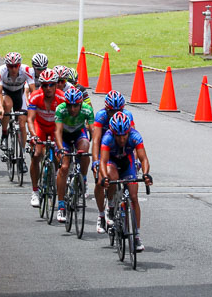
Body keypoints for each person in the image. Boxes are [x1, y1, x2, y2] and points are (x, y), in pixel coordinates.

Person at [100, 112, 152, 252]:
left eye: (124, 135)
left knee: (134, 197)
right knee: (113, 177)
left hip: (127, 162)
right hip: (112, 162)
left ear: (129, 131)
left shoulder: (135, 136)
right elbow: (103, 162)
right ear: (113, 133)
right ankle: (111, 206)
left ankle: (136, 236)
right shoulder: (107, 138)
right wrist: (105, 178)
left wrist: (146, 174)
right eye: (118, 135)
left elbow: (144, 159)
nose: (122, 139)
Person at [91, 90, 135, 233]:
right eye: (112, 111)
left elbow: (133, 139)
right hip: (106, 151)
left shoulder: (127, 116)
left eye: (119, 110)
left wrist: (137, 161)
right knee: (101, 181)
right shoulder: (101, 116)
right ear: (107, 109)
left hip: (121, 150)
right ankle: (101, 215)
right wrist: (95, 162)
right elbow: (96, 141)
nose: (115, 113)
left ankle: (115, 208)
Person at [26, 69, 66, 207]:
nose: (48, 88)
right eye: (44, 85)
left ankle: (55, 179)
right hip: (40, 127)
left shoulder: (62, 98)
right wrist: (34, 136)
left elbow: (65, 121)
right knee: (36, 154)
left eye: (51, 85)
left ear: (56, 85)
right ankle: (35, 191)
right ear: (41, 86)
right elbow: (30, 119)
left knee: (58, 156)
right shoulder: (35, 96)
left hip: (55, 128)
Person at [54, 87, 94, 223]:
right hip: (64, 137)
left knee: (85, 149)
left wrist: (96, 149)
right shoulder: (60, 109)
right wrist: (60, 149)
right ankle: (61, 206)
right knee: (64, 167)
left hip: (79, 134)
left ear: (81, 104)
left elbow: (93, 131)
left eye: (76, 105)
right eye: (70, 105)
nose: (72, 109)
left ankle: (82, 178)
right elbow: (58, 132)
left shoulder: (87, 110)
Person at [0, 52, 35, 155]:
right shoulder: (0, 71)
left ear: (19, 65)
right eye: (10, 66)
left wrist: (34, 108)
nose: (13, 69)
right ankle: (4, 134)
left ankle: (21, 154)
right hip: (6, 92)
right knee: (7, 105)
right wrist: (0, 108)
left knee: (22, 123)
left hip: (19, 93)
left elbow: (33, 91)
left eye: (16, 66)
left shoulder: (26, 70)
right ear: (7, 66)